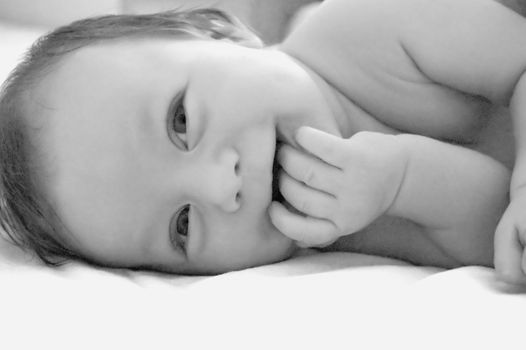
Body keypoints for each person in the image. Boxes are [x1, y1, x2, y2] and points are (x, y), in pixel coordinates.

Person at [0, 0, 523, 281]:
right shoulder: (334, 228)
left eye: (180, 122)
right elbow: (497, 238)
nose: (218, 186)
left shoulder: (366, 28)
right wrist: (404, 183)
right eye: (182, 226)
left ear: (220, 30)